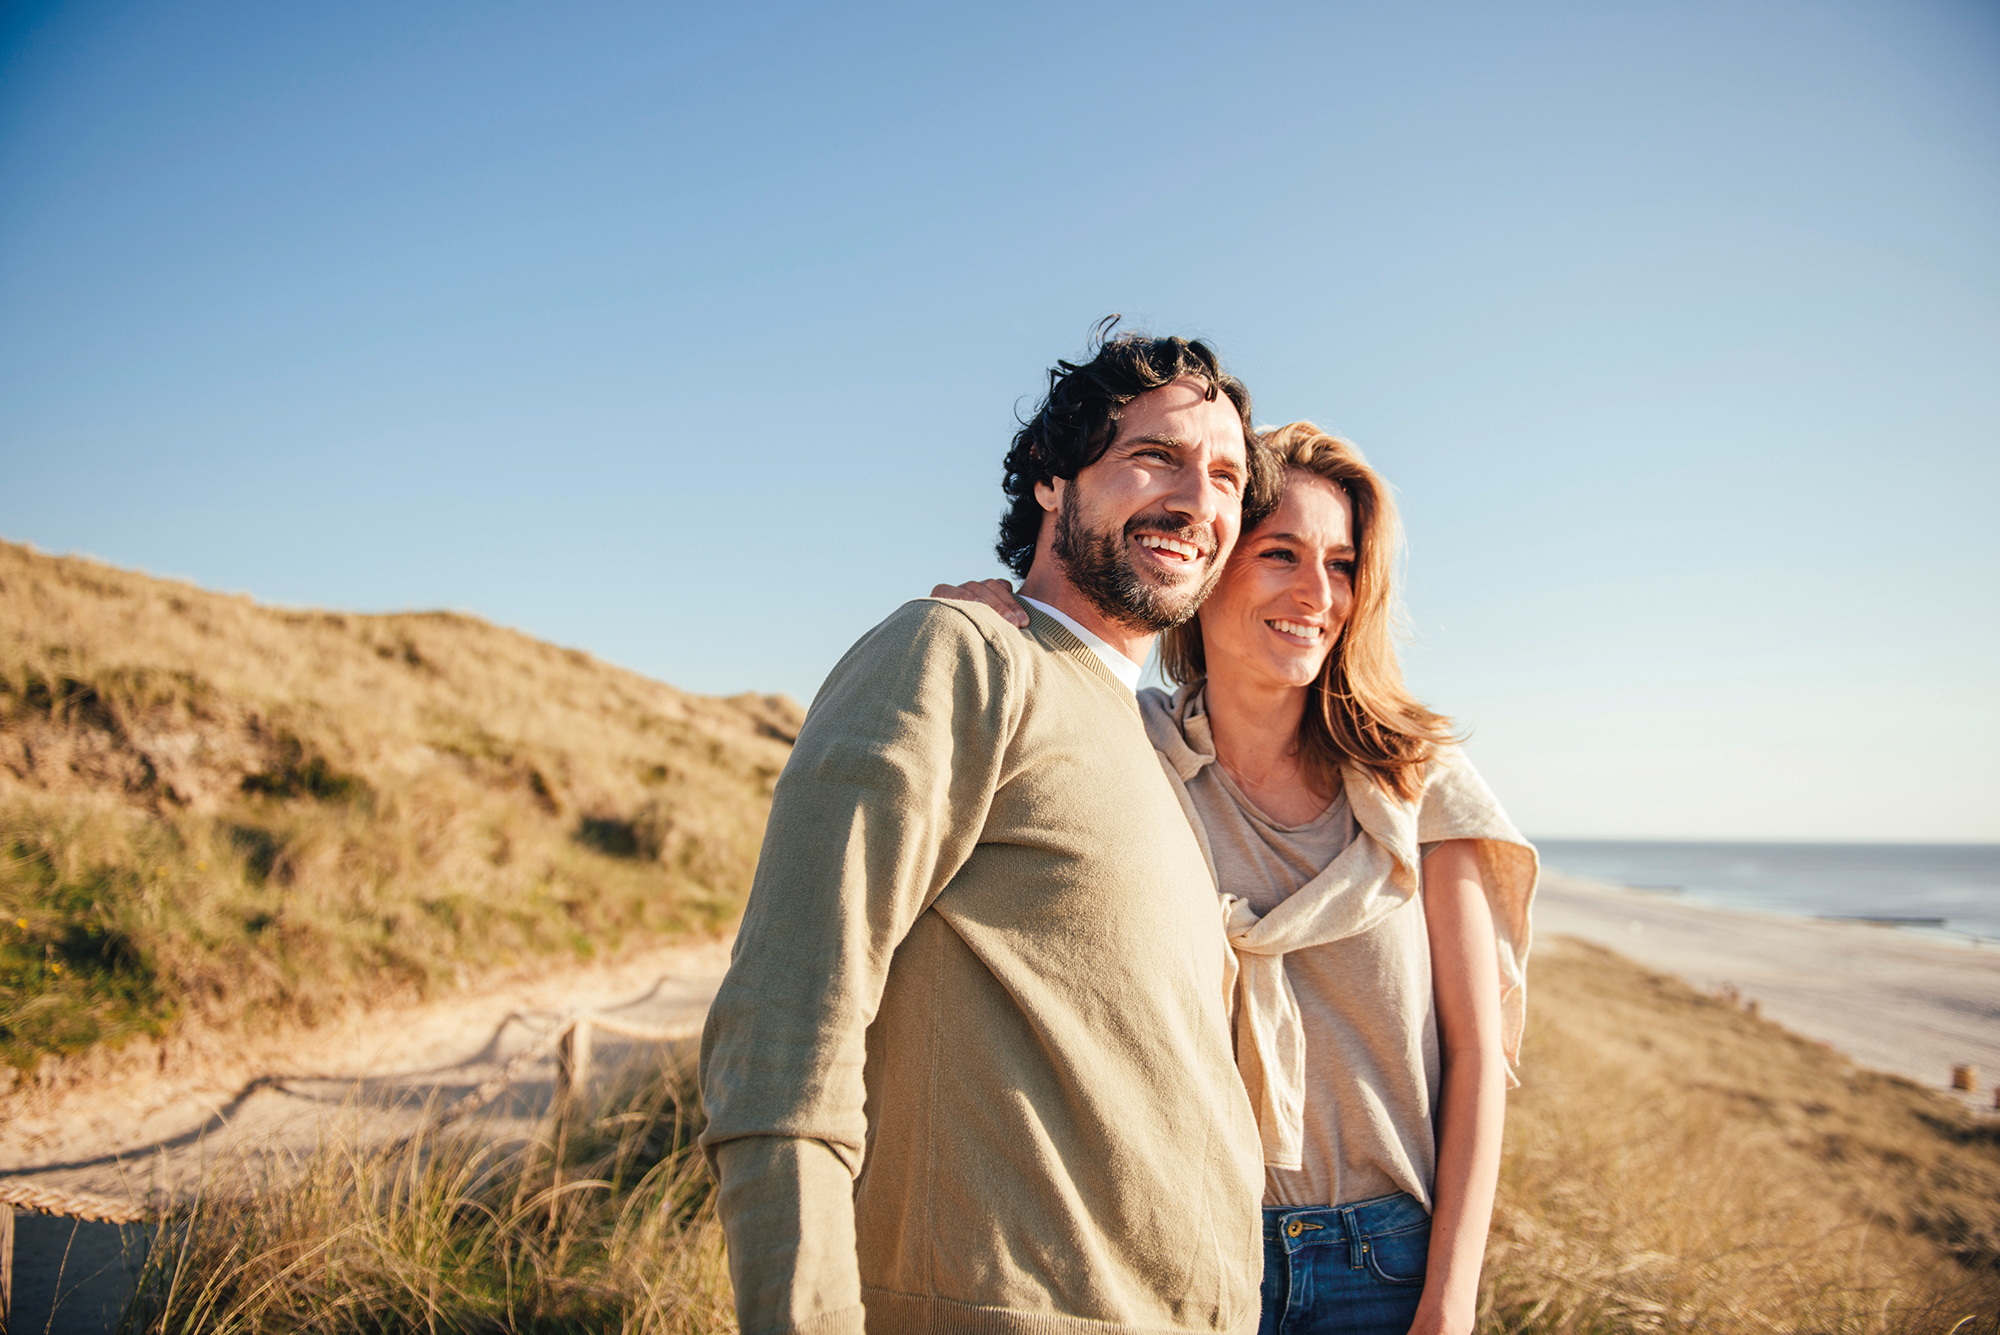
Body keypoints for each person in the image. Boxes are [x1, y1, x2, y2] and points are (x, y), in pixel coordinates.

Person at [699, 327, 1283, 1335]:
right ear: (1052, 481)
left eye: (1225, 474)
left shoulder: (1148, 750)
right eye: (1154, 456)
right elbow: (787, 1021)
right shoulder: (961, 655)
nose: (1197, 500)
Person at [936, 422, 1537, 1335]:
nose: (1316, 593)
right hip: (1175, 1253)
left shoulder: (1418, 780)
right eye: (1281, 553)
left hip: (1385, 1265)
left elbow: (1478, 1063)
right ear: (1210, 564)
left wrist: (1450, 1303)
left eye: (1341, 564)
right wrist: (984, 623)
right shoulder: (1121, 749)